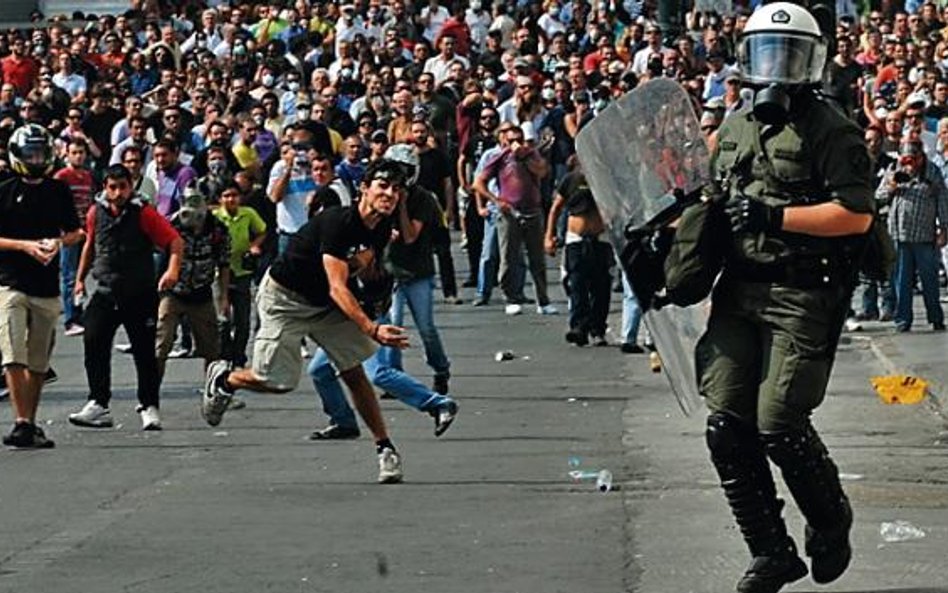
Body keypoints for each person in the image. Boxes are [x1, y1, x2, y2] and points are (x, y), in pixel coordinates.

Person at [693, 5, 873, 592]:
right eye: (767, 52)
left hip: (802, 291)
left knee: (779, 422)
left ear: (813, 60)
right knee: (725, 423)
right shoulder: (736, 123)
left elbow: (855, 215)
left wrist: (777, 215)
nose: (778, 67)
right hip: (738, 287)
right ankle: (771, 551)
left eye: (789, 53)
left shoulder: (831, 129)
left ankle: (830, 520)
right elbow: (714, 196)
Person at [200, 159, 411, 484]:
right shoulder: (338, 222)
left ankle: (385, 449)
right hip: (285, 298)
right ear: (364, 189)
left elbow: (362, 274)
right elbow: (337, 285)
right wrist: (371, 328)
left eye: (396, 189)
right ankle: (225, 380)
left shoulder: (382, 227)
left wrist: (375, 291)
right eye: (383, 186)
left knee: (354, 369)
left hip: (324, 303)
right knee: (278, 381)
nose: (390, 194)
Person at [69, 164, 183, 431]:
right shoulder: (96, 213)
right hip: (106, 291)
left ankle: (149, 405)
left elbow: (175, 242)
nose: (118, 192)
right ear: (105, 188)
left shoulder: (144, 214)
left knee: (144, 352)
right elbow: (90, 245)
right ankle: (98, 403)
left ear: (131, 187)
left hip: (139, 293)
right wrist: (78, 280)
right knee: (93, 342)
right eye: (112, 187)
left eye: (123, 187)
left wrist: (172, 270)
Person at [0, 125, 83, 448]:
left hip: (46, 286)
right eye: (30, 153)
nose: (35, 159)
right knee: (13, 355)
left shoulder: (57, 189)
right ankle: (21, 421)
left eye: (39, 153)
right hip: (9, 282)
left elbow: (76, 232)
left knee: (38, 361)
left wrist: (57, 243)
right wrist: (25, 246)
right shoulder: (4, 190)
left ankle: (30, 422)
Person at [473, 122, 556, 315]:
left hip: (533, 211)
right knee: (508, 258)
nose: (515, 144)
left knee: (537, 260)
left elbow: (542, 171)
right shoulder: (499, 158)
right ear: (503, 140)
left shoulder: (532, 154)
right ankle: (510, 297)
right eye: (511, 140)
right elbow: (478, 183)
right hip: (509, 213)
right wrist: (495, 200)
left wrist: (524, 156)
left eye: (519, 140)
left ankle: (543, 300)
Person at [154, 185, 230, 391]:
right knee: (160, 345)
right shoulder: (171, 224)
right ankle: (150, 393)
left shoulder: (217, 229)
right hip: (173, 292)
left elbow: (224, 263)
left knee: (212, 348)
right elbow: (158, 255)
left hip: (201, 292)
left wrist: (223, 298)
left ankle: (213, 391)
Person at [875, 138, 948, 332]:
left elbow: (942, 199)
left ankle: (936, 317)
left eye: (913, 160)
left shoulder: (932, 172)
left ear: (920, 157)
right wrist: (891, 187)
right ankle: (903, 320)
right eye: (906, 159)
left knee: (929, 280)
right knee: (901, 281)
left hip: (923, 235)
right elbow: (878, 198)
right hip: (899, 234)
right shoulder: (893, 169)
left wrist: (944, 229)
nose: (909, 165)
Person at [544, 163, 611, 346]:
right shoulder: (571, 180)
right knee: (577, 283)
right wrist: (549, 236)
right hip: (576, 239)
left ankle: (597, 329)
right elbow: (556, 208)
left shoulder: (606, 178)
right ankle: (578, 326)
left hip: (600, 238)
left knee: (601, 286)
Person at [214, 182, 267, 367]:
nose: (231, 199)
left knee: (243, 320)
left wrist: (254, 245)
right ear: (220, 199)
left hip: (242, 271)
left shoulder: (248, 213)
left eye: (234, 195)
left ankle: (239, 357)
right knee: (222, 318)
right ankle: (223, 356)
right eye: (226, 196)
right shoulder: (215, 217)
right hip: (219, 274)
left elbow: (262, 230)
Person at [53, 139, 95, 336]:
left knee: (81, 275)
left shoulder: (87, 176)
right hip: (68, 231)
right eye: (74, 152)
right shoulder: (62, 176)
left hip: (85, 230)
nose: (78, 155)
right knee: (69, 275)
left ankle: (79, 313)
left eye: (81, 152)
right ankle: (70, 318)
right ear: (67, 154)